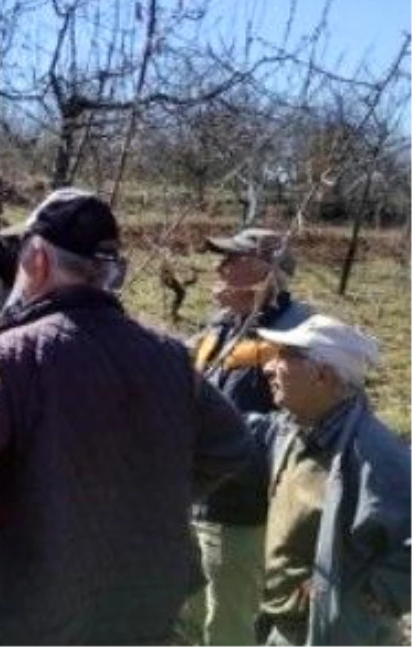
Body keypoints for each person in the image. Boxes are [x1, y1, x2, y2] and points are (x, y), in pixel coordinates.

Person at [0, 190, 254, 647]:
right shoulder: (171, 358)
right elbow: (232, 446)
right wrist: (146, 502)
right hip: (142, 610)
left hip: (25, 613)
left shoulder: (10, 362)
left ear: (37, 260)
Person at [186, 227, 313, 647]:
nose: (219, 267)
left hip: (244, 512)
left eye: (233, 260)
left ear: (268, 272)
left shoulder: (298, 337)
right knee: (188, 617)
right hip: (195, 501)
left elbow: (304, 430)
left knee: (228, 628)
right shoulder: (222, 327)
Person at [253, 315, 412, 646]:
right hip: (283, 622)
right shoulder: (294, 431)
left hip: (335, 633)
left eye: (285, 356)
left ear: (322, 375)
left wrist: (376, 595)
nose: (269, 367)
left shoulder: (376, 454)